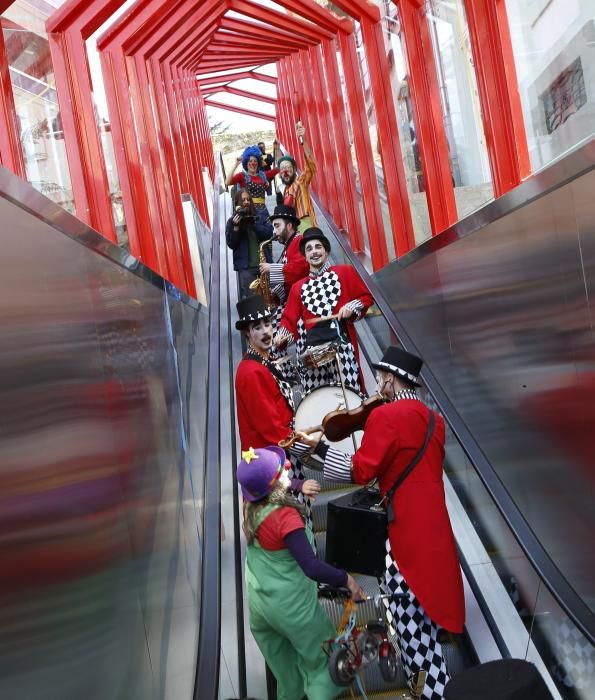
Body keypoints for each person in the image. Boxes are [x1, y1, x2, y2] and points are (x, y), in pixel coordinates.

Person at [300, 346, 466, 700]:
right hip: (435, 535)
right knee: (428, 628)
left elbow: (361, 471)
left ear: (390, 379)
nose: (377, 384)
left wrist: (321, 451)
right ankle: (429, 687)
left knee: (409, 630)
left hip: (403, 540)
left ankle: (426, 693)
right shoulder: (434, 420)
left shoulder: (385, 418)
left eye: (380, 378)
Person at [237, 445, 364, 700]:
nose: (286, 467)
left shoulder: (251, 506)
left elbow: (271, 488)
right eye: (281, 469)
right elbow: (312, 567)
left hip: (261, 608)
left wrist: (297, 486)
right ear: (275, 485)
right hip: (294, 611)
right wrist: (347, 580)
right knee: (323, 667)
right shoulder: (286, 519)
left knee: (287, 674)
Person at [234, 295, 318, 523]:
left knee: (296, 521)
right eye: (257, 327)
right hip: (271, 461)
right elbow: (270, 429)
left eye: (268, 324)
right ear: (247, 333)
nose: (265, 331)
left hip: (282, 453)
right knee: (288, 525)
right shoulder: (250, 372)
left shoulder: (264, 360)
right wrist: (314, 448)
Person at [274, 227, 373, 395]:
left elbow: (366, 297)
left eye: (318, 247)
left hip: (342, 347)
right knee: (318, 399)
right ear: (305, 256)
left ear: (326, 251)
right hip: (313, 353)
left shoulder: (345, 272)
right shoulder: (298, 288)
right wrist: (282, 335)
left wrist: (351, 306)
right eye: (309, 249)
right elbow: (288, 320)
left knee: (350, 396)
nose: (314, 252)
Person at [259, 204, 310, 316]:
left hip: (303, 303)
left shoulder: (299, 240)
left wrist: (271, 268)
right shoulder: (289, 244)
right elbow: (289, 280)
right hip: (295, 300)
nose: (274, 232)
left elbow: (300, 270)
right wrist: (275, 293)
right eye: (273, 227)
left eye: (277, 226)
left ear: (289, 226)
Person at [225, 188, 273, 299]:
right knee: (253, 302)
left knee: (270, 298)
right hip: (246, 269)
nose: (246, 202)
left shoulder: (260, 216)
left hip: (265, 266)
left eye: (248, 199)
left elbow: (269, 234)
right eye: (243, 200)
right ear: (237, 204)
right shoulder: (231, 221)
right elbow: (231, 244)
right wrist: (236, 227)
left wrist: (253, 224)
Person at [276, 122, 317, 232]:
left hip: (305, 223)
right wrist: (276, 149)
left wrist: (303, 140)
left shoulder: (301, 181)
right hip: (293, 227)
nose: (285, 171)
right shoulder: (285, 190)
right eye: (283, 169)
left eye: (288, 168)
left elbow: (311, 165)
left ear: (294, 170)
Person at [226, 145, 279, 224]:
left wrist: (277, 149)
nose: (253, 163)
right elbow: (227, 182)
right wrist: (236, 164)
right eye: (250, 161)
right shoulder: (242, 176)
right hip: (249, 212)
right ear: (246, 163)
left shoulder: (263, 175)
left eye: (255, 161)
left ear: (258, 163)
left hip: (263, 212)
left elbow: (279, 168)